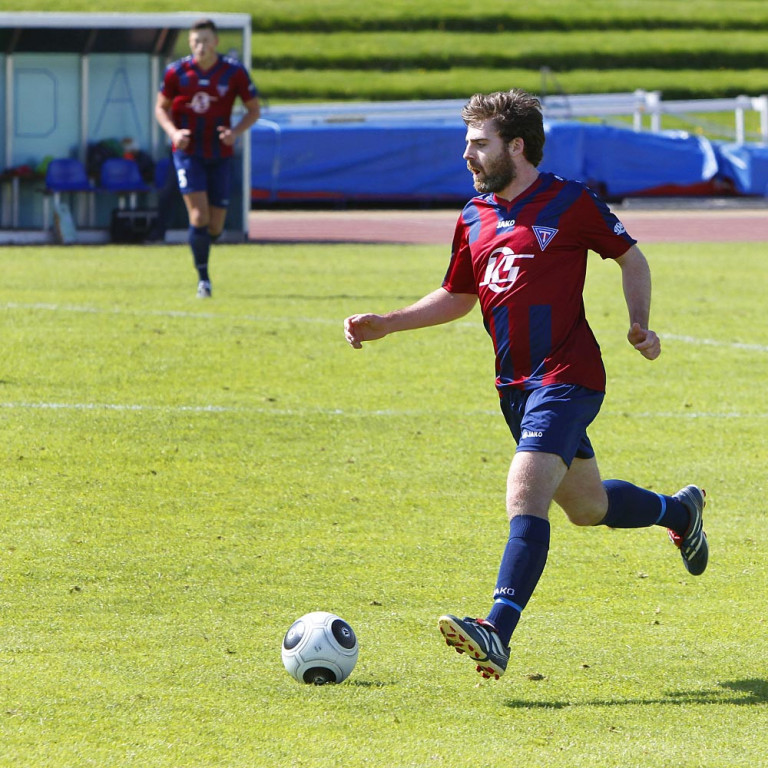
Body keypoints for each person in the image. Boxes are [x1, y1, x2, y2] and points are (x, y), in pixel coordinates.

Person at [343, 89, 707, 682]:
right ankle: (679, 513)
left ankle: (497, 629)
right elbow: (459, 296)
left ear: (516, 146)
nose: (467, 155)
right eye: (466, 144)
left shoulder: (570, 200)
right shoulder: (472, 216)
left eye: (478, 144)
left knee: (524, 489)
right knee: (587, 508)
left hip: (568, 377)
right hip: (514, 386)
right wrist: (390, 322)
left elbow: (630, 257)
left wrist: (638, 323)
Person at [155, 18, 261, 298]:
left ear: (215, 42)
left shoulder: (233, 72)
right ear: (190, 44)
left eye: (205, 40)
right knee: (199, 215)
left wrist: (235, 132)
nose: (200, 46)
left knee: (216, 225)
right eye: (195, 41)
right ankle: (204, 279)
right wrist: (173, 133)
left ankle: (202, 246)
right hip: (188, 153)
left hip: (220, 153)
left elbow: (253, 110)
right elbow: (160, 109)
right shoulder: (177, 73)